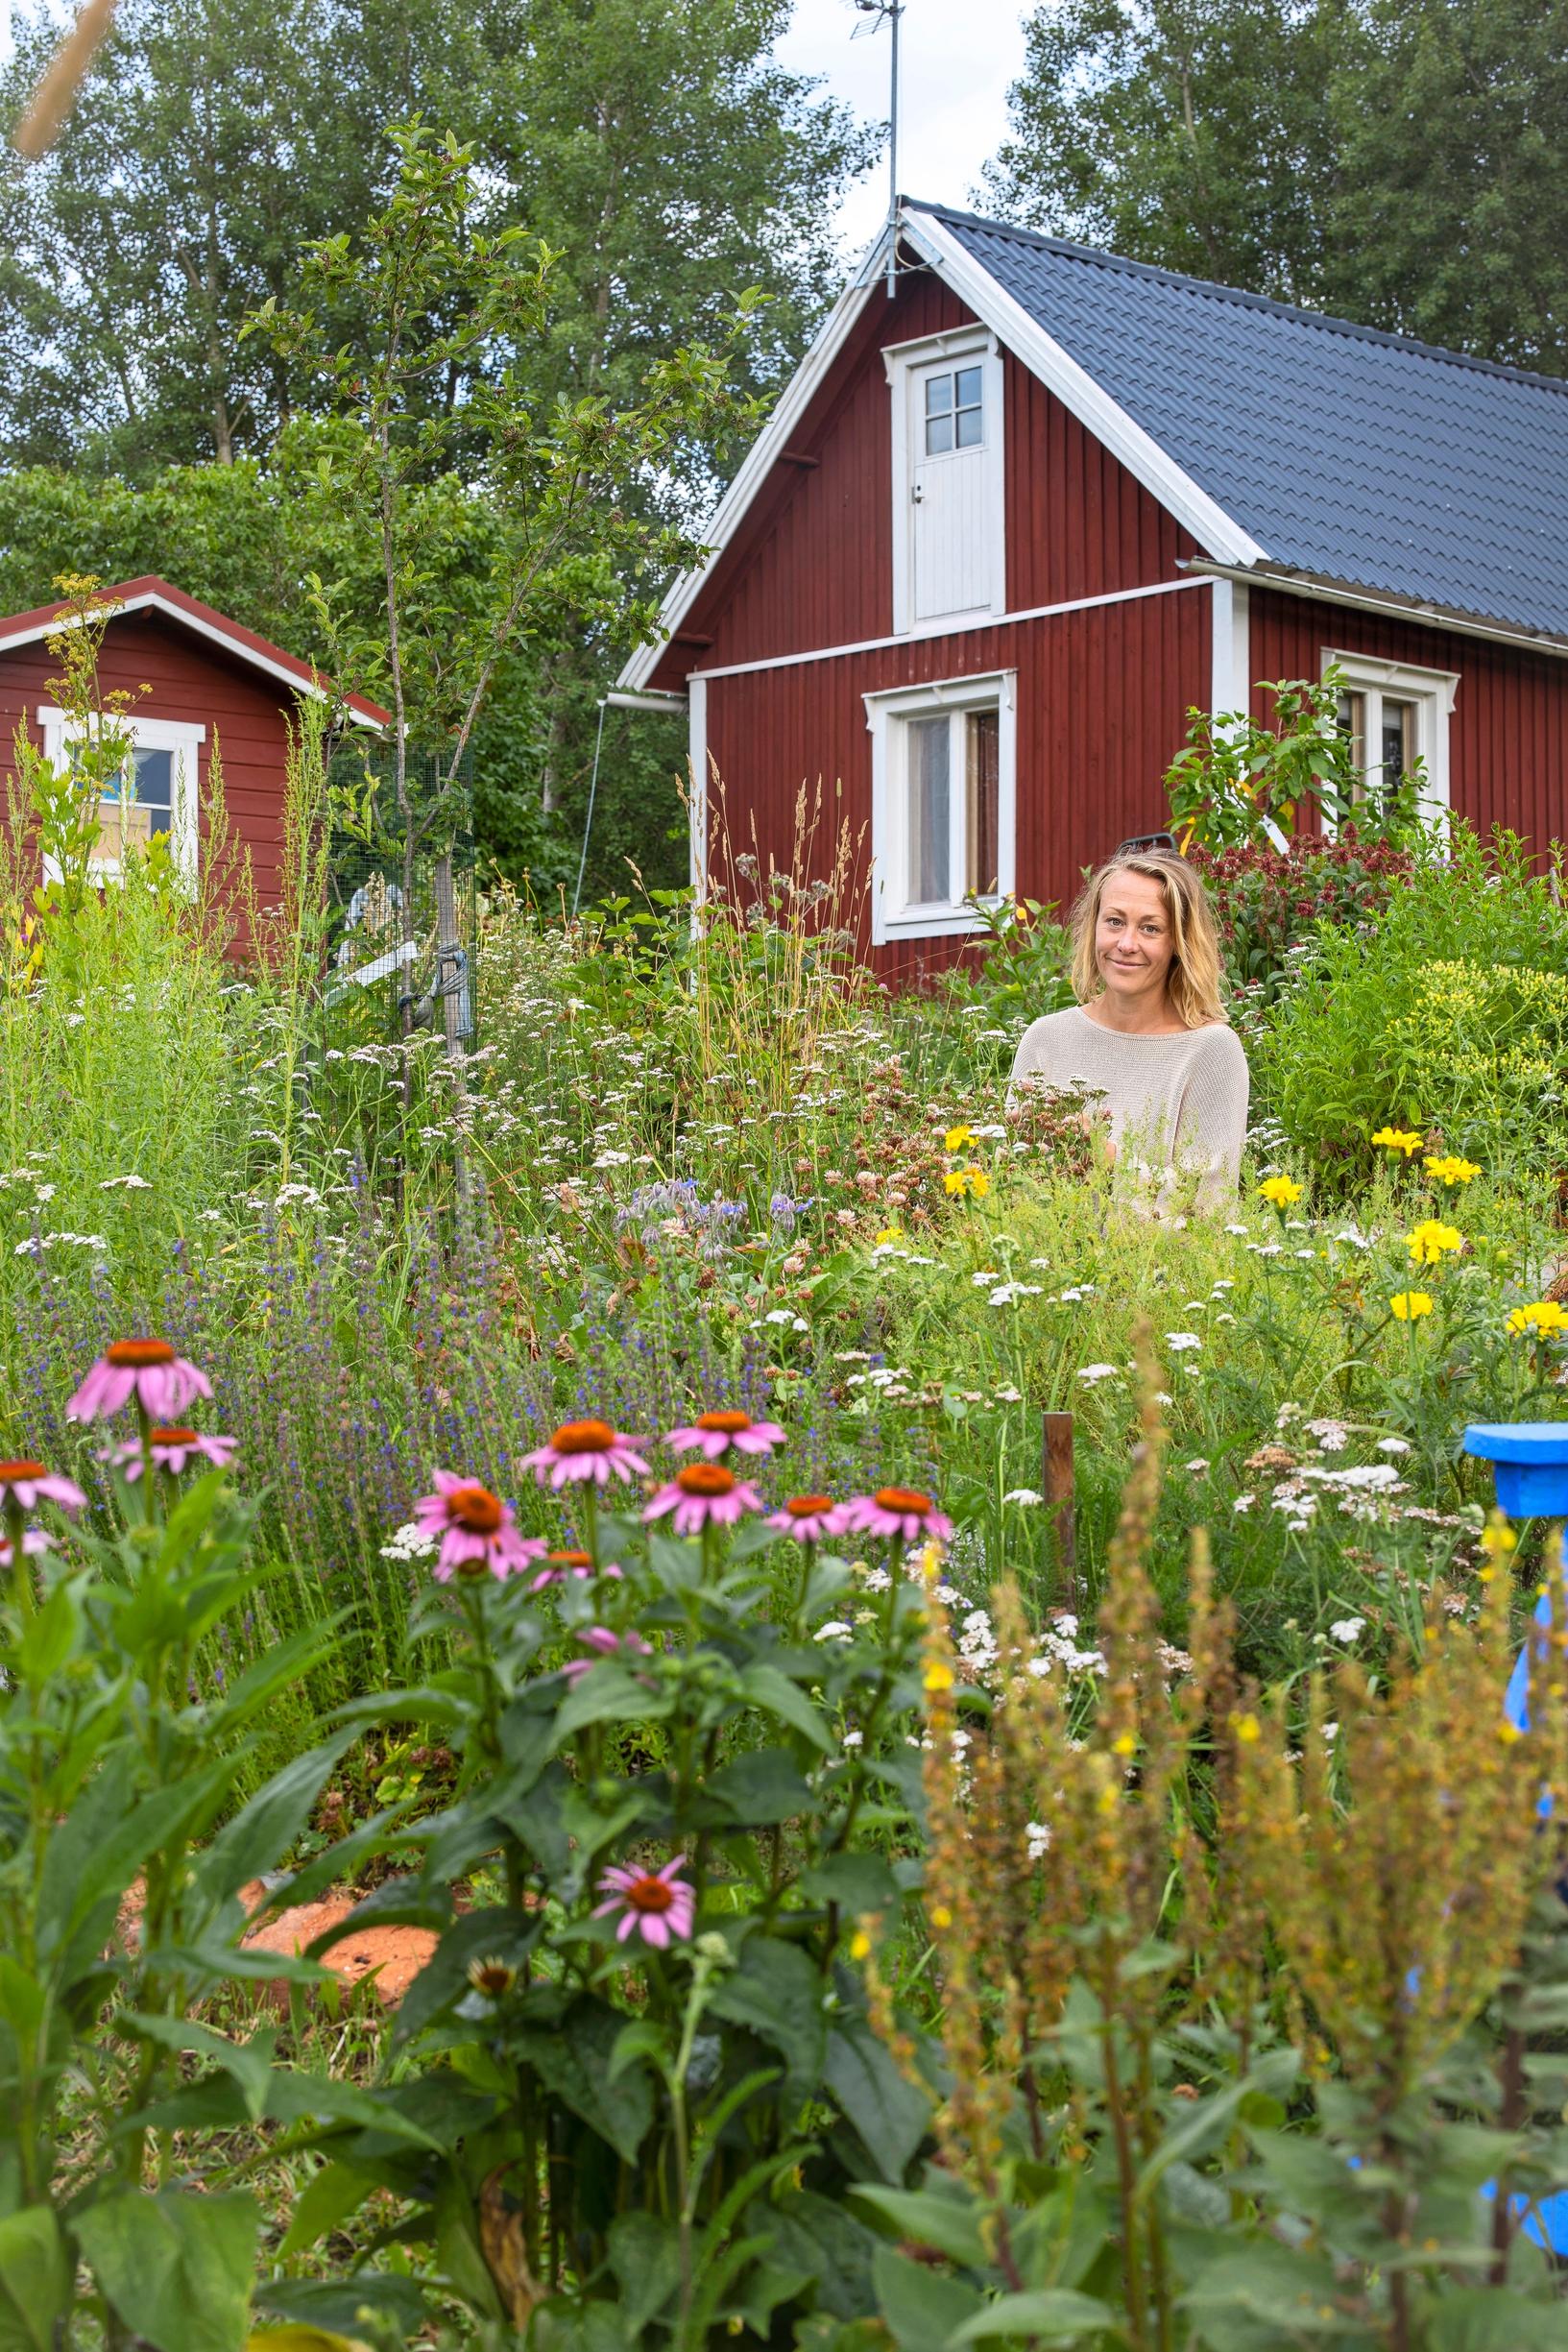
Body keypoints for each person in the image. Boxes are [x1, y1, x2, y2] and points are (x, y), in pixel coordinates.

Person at [1010, 848, 1249, 1215]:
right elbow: (1010, 1186)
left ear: (1178, 944)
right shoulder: (1046, 1039)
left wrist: (1108, 1162)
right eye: (1115, 922)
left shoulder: (1210, 1049)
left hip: (1157, 1271)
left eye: (1150, 928)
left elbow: (1209, 1210)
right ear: (1094, 927)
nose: (1126, 944)